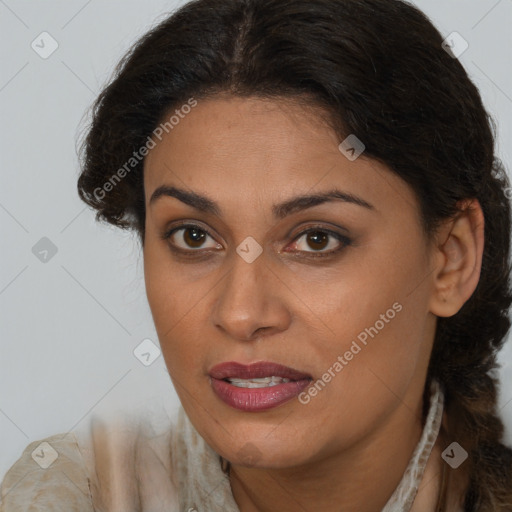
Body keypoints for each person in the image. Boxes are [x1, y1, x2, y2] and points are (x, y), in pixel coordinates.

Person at [2, 0, 512, 510]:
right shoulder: (68, 496)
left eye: (317, 239)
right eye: (194, 237)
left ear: (451, 258)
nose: (240, 313)